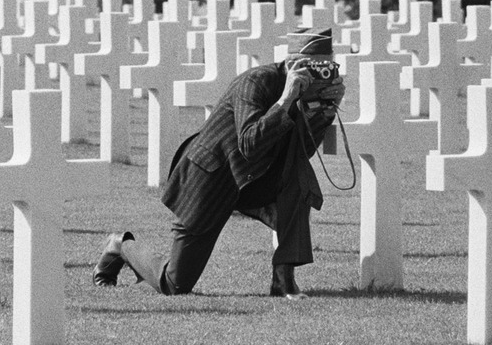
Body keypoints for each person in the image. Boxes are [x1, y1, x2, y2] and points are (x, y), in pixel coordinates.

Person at [93, 28, 346, 299]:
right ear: (294, 64)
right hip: (211, 178)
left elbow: (299, 151)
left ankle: (283, 282)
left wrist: (325, 113)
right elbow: (250, 143)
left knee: (297, 179)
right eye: (315, 69)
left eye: (328, 68)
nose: (320, 76)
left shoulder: (308, 95)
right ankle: (120, 245)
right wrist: (285, 100)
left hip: (252, 179)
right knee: (175, 284)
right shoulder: (257, 82)